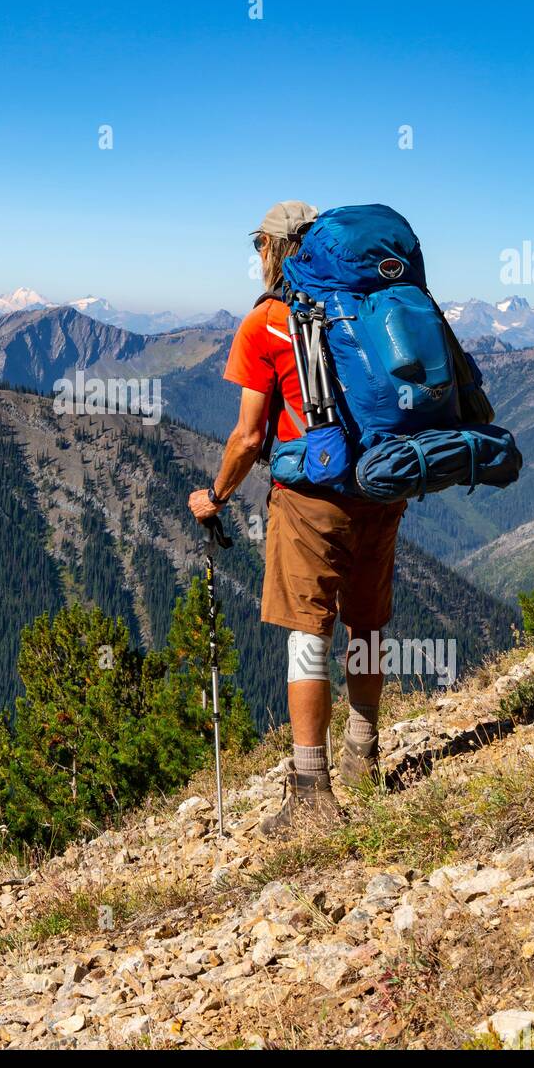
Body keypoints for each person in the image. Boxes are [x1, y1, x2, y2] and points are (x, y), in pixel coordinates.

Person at [187, 200, 406, 834]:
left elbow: (249, 436)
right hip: (382, 485)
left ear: (270, 249)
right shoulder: (369, 306)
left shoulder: (267, 323)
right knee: (366, 624)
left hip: (312, 499)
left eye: (258, 245)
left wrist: (216, 496)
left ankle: (311, 793)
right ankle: (363, 752)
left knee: (309, 635)